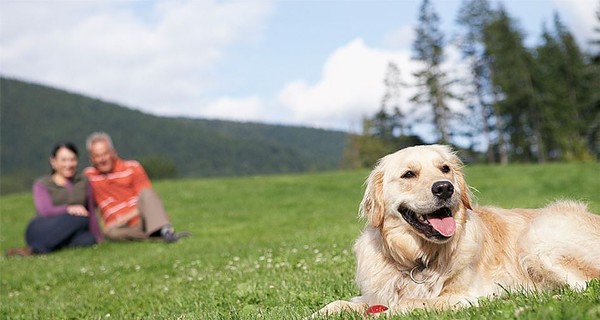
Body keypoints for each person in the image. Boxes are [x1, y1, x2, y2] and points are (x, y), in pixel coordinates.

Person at [84, 132, 189, 243]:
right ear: (91, 159)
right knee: (111, 233)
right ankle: (162, 234)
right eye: (97, 156)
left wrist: (126, 217)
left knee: (147, 192)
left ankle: (163, 230)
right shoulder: (88, 176)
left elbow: (148, 198)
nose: (102, 159)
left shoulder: (132, 167)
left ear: (113, 153)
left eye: (105, 154)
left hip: (142, 217)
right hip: (119, 228)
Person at [6, 143, 103, 256]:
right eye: (64, 160)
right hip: (43, 227)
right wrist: (69, 209)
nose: (69, 164)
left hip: (73, 228)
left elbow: (91, 209)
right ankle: (36, 249)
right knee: (80, 217)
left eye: (73, 160)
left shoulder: (83, 181)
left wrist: (99, 237)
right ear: (54, 161)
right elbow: (44, 210)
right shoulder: (42, 184)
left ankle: (39, 248)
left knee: (88, 239)